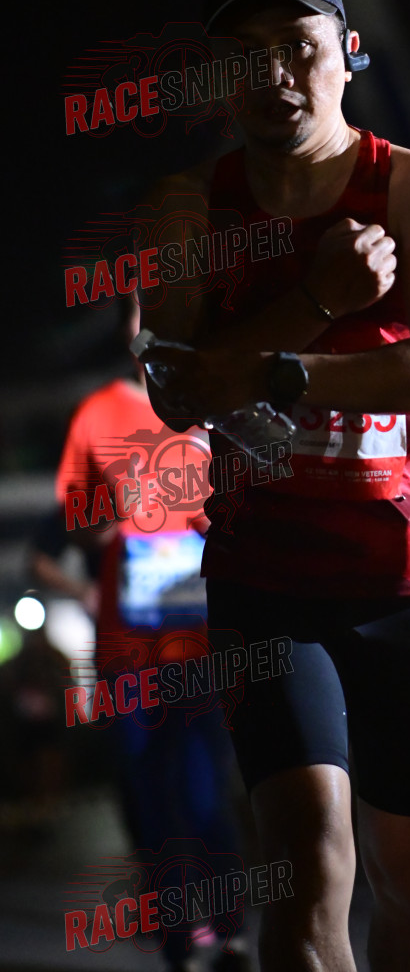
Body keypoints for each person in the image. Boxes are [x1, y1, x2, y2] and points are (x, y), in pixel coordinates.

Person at [137, 0, 410, 972]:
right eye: (242, 54)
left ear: (348, 52)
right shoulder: (186, 211)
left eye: (297, 47)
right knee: (301, 866)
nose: (273, 75)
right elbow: (178, 392)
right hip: (267, 582)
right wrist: (318, 301)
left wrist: (268, 371)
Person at [50, 297, 252, 972]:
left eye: (170, 300)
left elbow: (246, 517)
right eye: (143, 307)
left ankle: (228, 928)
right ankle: (178, 939)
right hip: (128, 647)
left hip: (202, 639)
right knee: (146, 789)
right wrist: (109, 514)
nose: (157, 319)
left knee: (203, 783)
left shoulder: (215, 409)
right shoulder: (97, 414)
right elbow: (78, 528)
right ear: (126, 327)